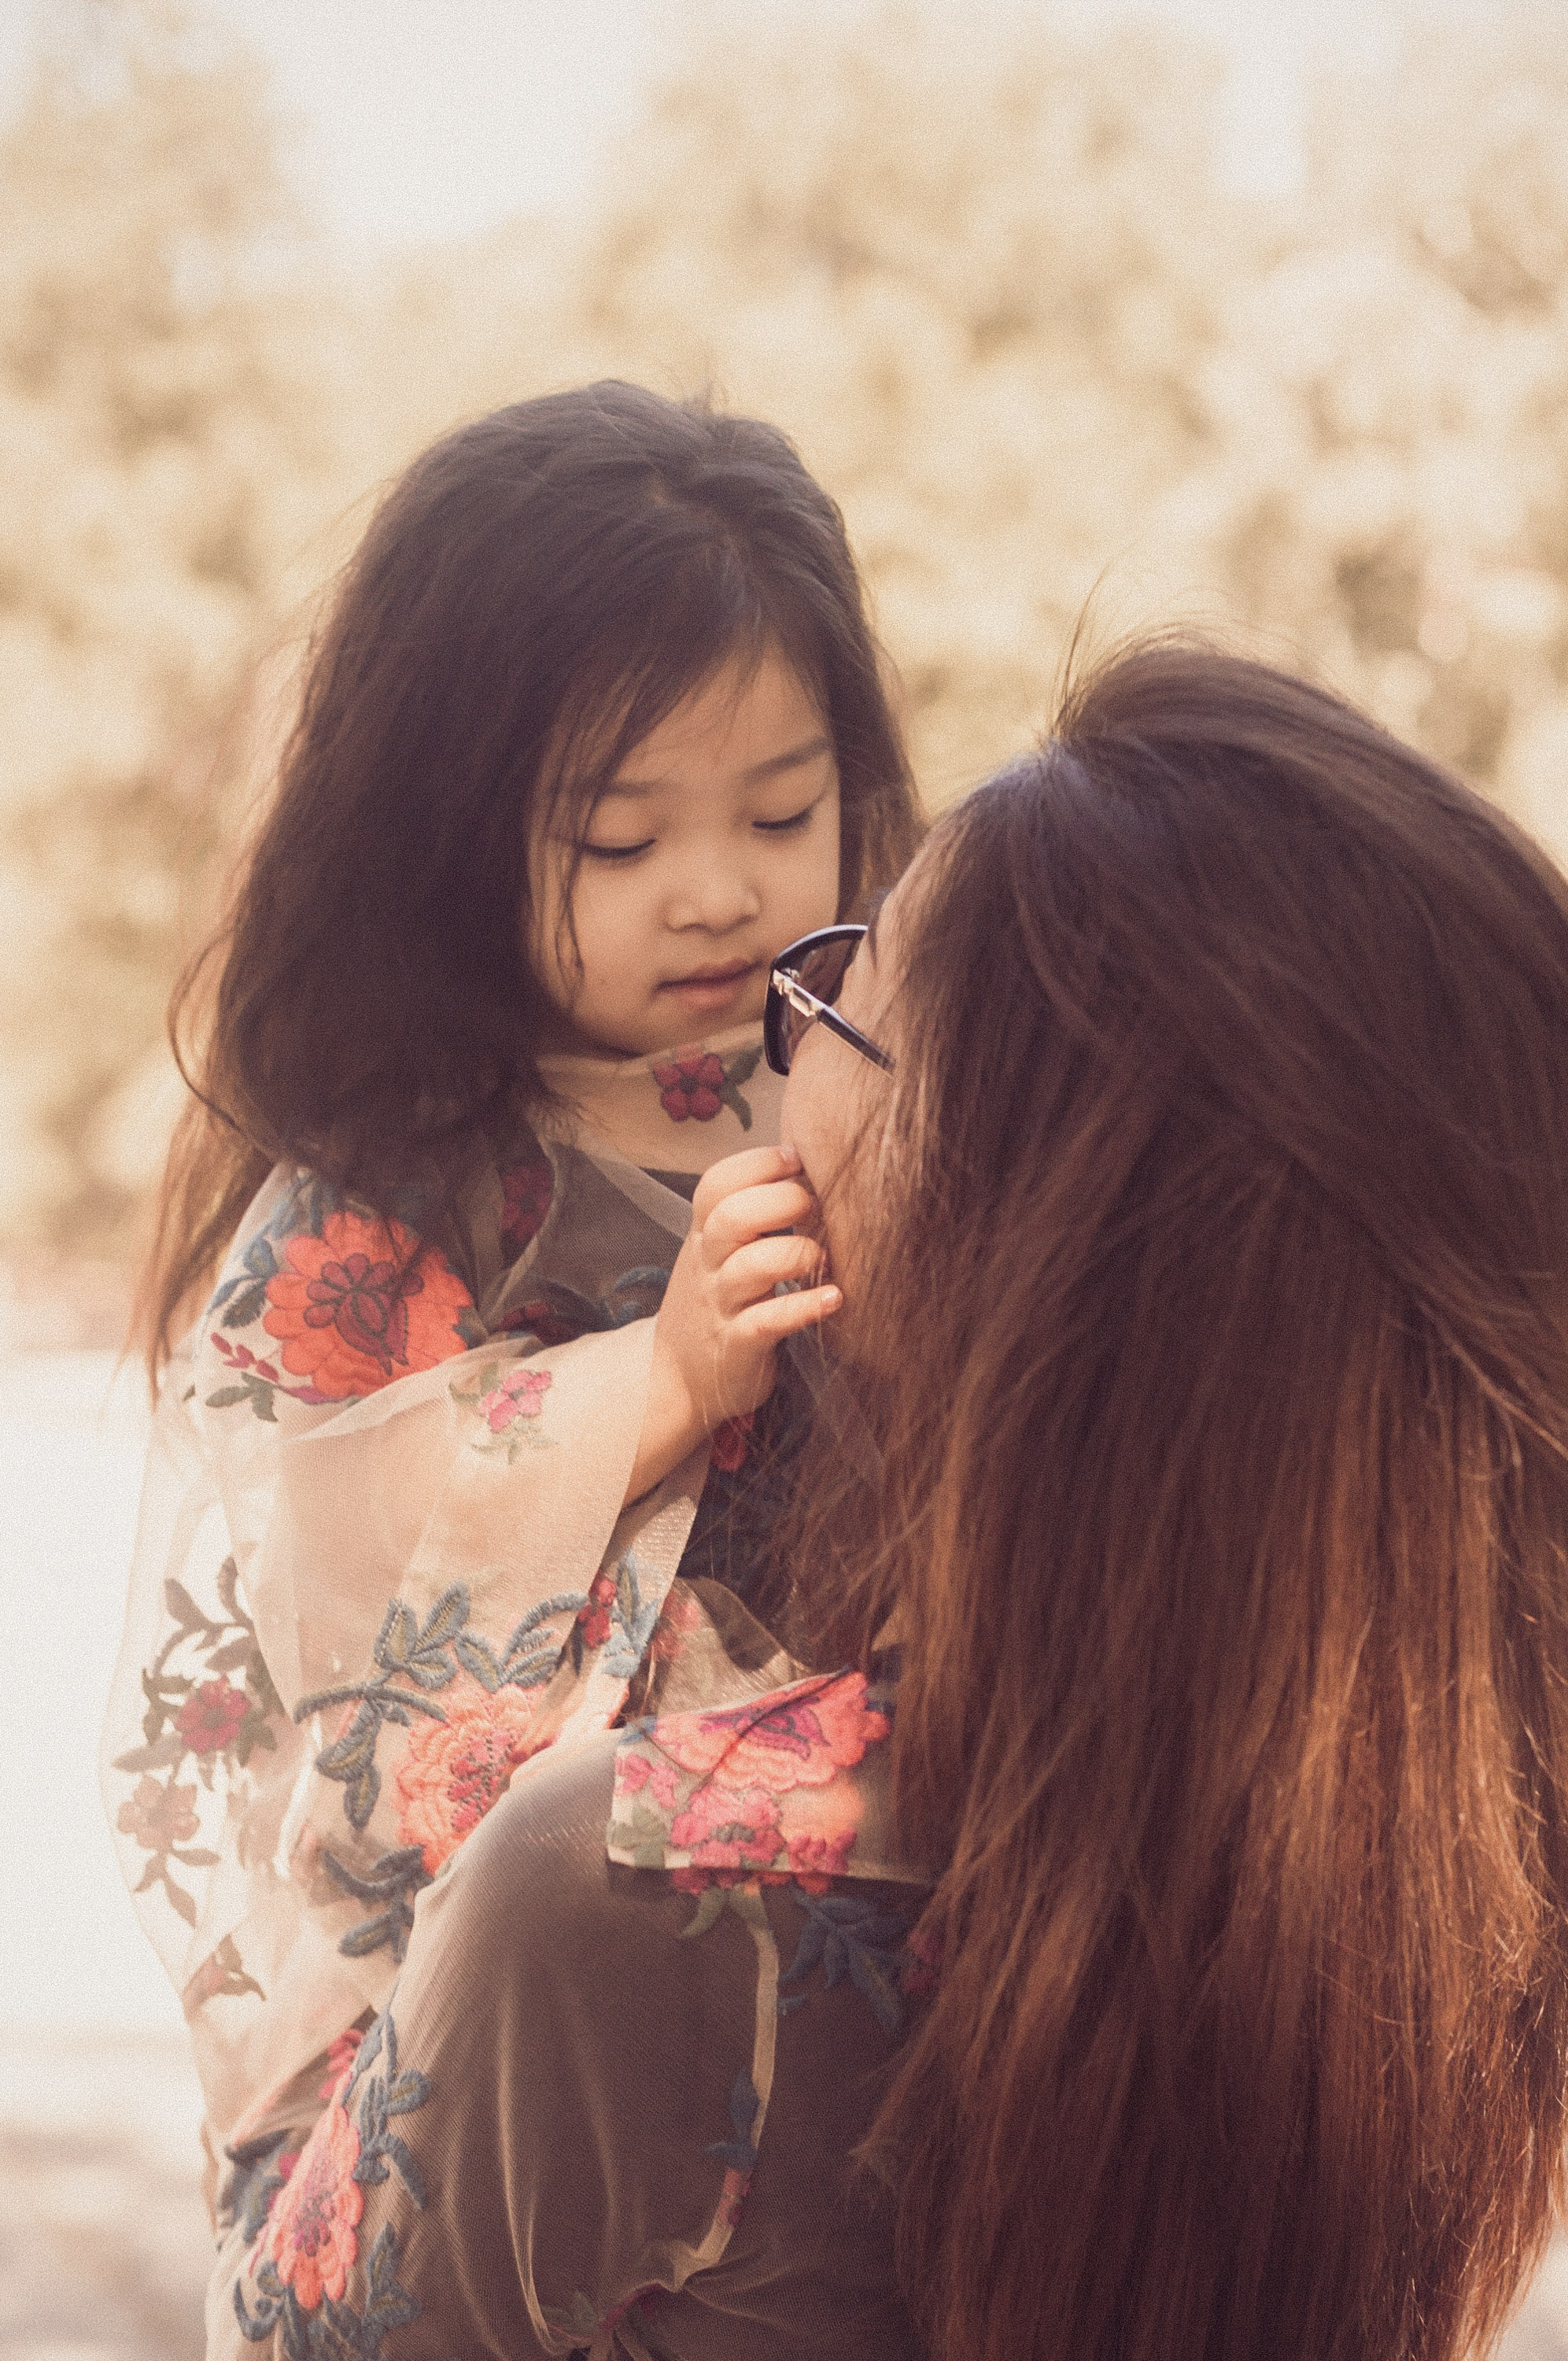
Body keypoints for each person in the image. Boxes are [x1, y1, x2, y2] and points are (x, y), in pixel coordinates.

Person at [211, 639, 1568, 2361]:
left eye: (847, 995)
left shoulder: (636, 1887)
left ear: (989, 1220)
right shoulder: (1466, 1843)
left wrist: (395, 1862)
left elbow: (291, 2327)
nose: (771, 1022)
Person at [100, 382, 921, 2204]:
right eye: (619, 842)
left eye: (782, 812)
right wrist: (661, 1378)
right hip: (518, 2011)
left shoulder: (898, 1075)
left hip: (887, 1961)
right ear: (449, 837)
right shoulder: (396, 1181)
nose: (716, 895)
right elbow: (304, 1550)